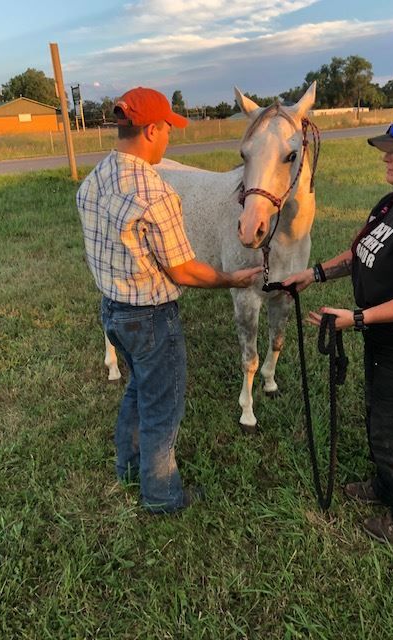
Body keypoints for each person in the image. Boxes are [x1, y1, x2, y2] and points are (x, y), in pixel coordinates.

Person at [76, 87, 261, 514]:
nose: (168, 141)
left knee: (138, 390)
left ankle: (129, 465)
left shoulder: (95, 178)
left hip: (113, 310)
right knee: (163, 407)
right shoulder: (154, 193)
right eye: (168, 131)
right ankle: (161, 495)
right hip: (151, 317)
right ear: (152, 129)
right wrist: (231, 278)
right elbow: (184, 270)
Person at [283, 112, 393, 544]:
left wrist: (357, 319)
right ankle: (387, 487)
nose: (385, 159)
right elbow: (359, 254)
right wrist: (312, 274)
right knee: (379, 418)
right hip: (383, 342)